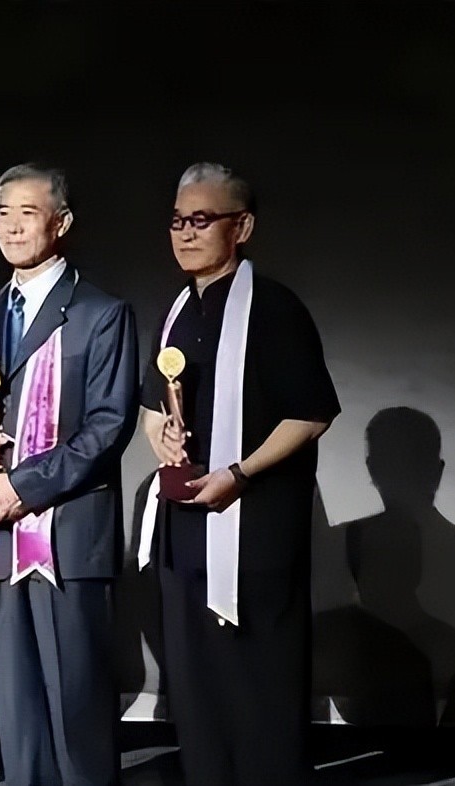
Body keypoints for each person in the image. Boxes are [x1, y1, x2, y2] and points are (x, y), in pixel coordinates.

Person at [137, 162, 339, 785]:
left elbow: (311, 415)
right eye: (177, 221)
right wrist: (161, 436)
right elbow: (152, 406)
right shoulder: (176, 311)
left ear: (242, 227)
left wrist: (240, 472)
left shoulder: (274, 308)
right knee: (197, 694)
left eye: (201, 220)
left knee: (258, 697)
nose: (185, 233)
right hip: (186, 533)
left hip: (255, 534)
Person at [0, 163, 138, 786]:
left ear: (60, 224)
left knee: (75, 701)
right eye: (2, 212)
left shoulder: (100, 313)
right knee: (17, 706)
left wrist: (25, 486)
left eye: (27, 213)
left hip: (67, 533)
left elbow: (108, 425)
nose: (11, 227)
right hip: (1, 533)